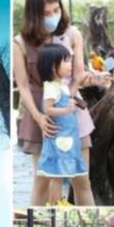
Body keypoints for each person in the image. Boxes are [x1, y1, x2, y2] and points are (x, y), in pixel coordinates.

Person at [13, 0, 110, 206]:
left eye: (56, 10)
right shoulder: (20, 43)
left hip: (72, 116)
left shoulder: (72, 34)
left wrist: (93, 80)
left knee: (82, 180)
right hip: (42, 119)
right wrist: (40, 117)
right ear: (33, 15)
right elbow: (24, 86)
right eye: (46, 13)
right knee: (42, 182)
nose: (53, 16)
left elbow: (79, 75)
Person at [36, 43, 88, 203]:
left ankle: (60, 201)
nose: (70, 64)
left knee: (61, 174)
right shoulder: (52, 87)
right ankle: (55, 204)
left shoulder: (63, 86)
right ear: (53, 67)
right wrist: (65, 110)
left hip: (68, 137)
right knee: (56, 176)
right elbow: (48, 108)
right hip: (59, 137)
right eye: (66, 61)